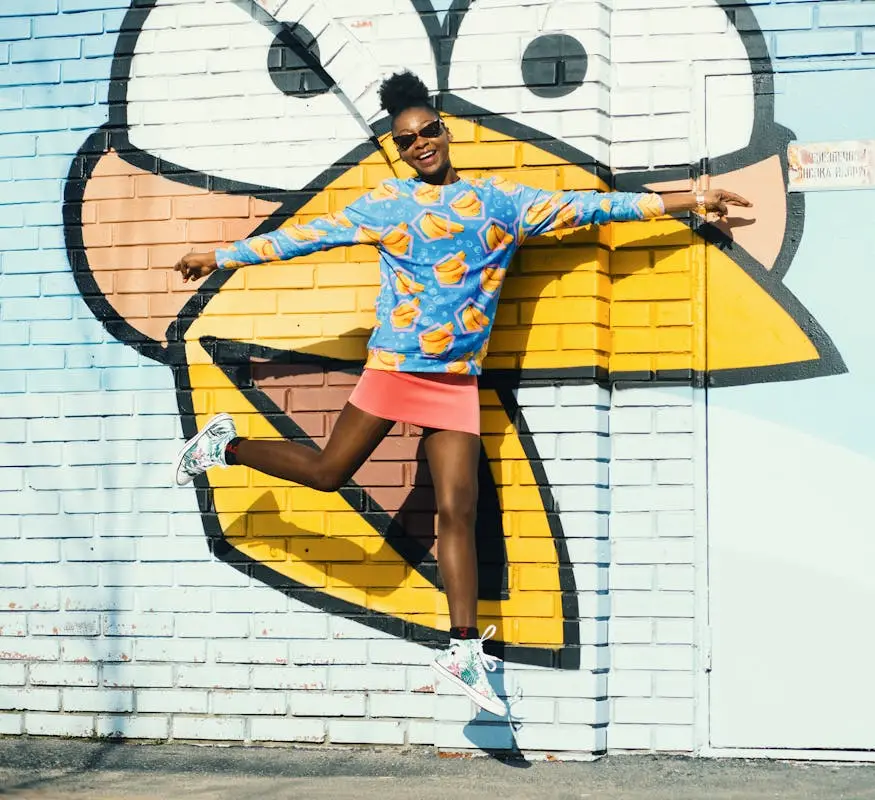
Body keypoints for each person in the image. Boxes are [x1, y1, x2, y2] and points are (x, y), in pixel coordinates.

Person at [172, 70, 750, 717]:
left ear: (445, 132)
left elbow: (597, 207)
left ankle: (463, 648)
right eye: (407, 139)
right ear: (399, 150)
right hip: (393, 370)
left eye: (428, 131)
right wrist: (219, 256)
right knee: (329, 472)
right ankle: (229, 444)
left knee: (458, 510)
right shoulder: (388, 204)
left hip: (455, 384)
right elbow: (304, 238)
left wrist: (691, 197)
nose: (421, 144)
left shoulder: (501, 202)